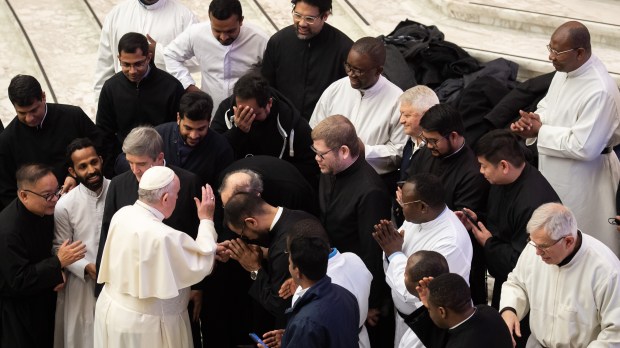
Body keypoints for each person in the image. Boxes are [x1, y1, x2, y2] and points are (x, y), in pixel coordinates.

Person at [511, 21, 620, 254]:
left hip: (586, 180)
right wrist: (533, 121)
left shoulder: (599, 90)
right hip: (554, 169)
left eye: (557, 52)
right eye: (549, 48)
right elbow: (548, 106)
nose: (551, 56)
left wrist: (540, 131)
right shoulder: (565, 71)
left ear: (580, 53)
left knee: (579, 242)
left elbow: (586, 146)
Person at [94, 127, 203, 344]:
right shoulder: (118, 184)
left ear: (160, 157)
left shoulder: (188, 182)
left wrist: (199, 286)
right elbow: (107, 236)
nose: (135, 169)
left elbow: (196, 235)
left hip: (175, 288)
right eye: (130, 162)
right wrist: (99, 288)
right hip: (130, 292)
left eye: (141, 164)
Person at [311, 115, 391, 345]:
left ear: (344, 151)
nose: (316, 159)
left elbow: (373, 252)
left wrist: (371, 302)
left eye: (321, 154)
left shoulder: (370, 191)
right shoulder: (330, 170)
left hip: (356, 287)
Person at [459, 130, 560, 309]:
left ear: (504, 166)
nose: (480, 171)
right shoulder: (504, 180)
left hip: (528, 293)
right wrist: (477, 219)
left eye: (483, 165)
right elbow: (502, 220)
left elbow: (523, 262)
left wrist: (489, 243)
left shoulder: (533, 203)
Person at [373, 173, 473, 348]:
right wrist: (390, 246)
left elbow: (414, 289)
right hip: (406, 317)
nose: (400, 206)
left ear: (422, 207)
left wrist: (393, 253)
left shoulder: (450, 242)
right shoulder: (417, 218)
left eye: (404, 203)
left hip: (429, 323)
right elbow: (397, 247)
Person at [500, 203, 620, 347]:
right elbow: (516, 283)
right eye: (532, 242)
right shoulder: (535, 247)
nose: (537, 252)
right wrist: (509, 309)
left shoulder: (606, 270)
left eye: (543, 247)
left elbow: (615, 332)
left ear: (568, 241)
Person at [408, 103, 489, 304]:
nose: (428, 146)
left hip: (452, 252)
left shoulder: (472, 172)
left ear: (453, 136)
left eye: (433, 141)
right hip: (418, 235)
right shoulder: (427, 153)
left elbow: (460, 219)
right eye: (425, 140)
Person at [0, 164, 86, 347]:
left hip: (43, 302)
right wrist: (57, 263)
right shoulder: (8, 231)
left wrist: (58, 271)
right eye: (48, 195)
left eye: (57, 191)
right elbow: (18, 280)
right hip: (19, 314)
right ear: (24, 195)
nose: (56, 199)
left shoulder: (43, 210)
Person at [0, 75, 102, 209]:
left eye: (34, 110)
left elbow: (101, 149)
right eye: (22, 113)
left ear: (43, 96)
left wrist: (77, 177)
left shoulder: (73, 117)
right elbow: (6, 191)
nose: (30, 118)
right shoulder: (6, 141)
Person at [310, 37, 406, 179]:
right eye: (348, 66)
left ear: (378, 70)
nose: (350, 74)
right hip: (330, 175)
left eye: (359, 71)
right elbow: (315, 127)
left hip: (370, 180)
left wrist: (364, 150)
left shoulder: (397, 100)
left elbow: (399, 151)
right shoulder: (336, 88)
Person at [221, 191, 319, 327]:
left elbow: (278, 305)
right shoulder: (300, 215)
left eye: (243, 234)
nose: (247, 238)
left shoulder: (284, 247)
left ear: (251, 222)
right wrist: (263, 252)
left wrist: (254, 269)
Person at [96, 32, 184, 175]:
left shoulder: (171, 87)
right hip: (125, 164)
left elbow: (177, 132)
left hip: (162, 163)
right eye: (126, 65)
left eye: (138, 64)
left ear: (149, 57)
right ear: (118, 59)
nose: (132, 71)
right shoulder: (111, 88)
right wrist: (110, 170)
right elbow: (104, 133)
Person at [276, 218, 373, 348]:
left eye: (289, 257)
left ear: (298, 270)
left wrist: (295, 337)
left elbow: (312, 332)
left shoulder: (303, 306)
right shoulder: (353, 260)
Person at [212, 72, 318, 187]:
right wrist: (237, 132)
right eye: (242, 111)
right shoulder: (226, 110)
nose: (247, 118)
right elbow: (213, 152)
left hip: (275, 187)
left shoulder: (290, 122)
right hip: (234, 185)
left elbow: (312, 164)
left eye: (254, 114)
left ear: (269, 103)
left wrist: (277, 173)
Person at [164, 0, 268, 113]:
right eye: (217, 31)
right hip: (211, 113)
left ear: (241, 21)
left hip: (249, 114)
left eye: (230, 31)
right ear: (210, 20)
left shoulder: (260, 40)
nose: (223, 37)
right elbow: (170, 55)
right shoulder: (195, 33)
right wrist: (188, 86)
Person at [53, 139, 109, 348]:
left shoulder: (118, 190)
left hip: (118, 281)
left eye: (94, 162)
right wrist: (86, 267)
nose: (91, 170)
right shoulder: (64, 205)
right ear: (72, 171)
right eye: (83, 166)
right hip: (82, 284)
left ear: (101, 160)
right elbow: (59, 247)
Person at [261, 0, 352, 120]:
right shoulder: (278, 42)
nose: (302, 23)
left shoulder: (344, 49)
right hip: (282, 124)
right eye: (297, 15)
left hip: (323, 127)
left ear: (325, 16)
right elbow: (267, 85)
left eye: (309, 18)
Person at [94, 0, 196, 101]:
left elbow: (198, 60)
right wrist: (100, 105)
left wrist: (160, 53)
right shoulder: (116, 15)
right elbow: (104, 67)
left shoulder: (184, 16)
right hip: (123, 101)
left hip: (166, 101)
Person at [408, 274, 513, 348]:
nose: (428, 312)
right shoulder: (489, 312)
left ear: (442, 312)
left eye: (429, 309)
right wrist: (432, 302)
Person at [156, 91, 234, 188]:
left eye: (201, 129)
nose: (194, 136)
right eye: (188, 128)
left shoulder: (221, 149)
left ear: (209, 121)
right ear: (178, 118)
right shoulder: (158, 137)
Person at [394, 85, 440, 225]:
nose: (401, 120)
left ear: (426, 114)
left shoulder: (436, 152)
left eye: (407, 115)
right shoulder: (410, 141)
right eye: (401, 114)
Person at [219, 158, 318, 215]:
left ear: (257, 196)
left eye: (231, 206)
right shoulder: (225, 178)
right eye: (225, 206)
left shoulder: (292, 192)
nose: (228, 209)